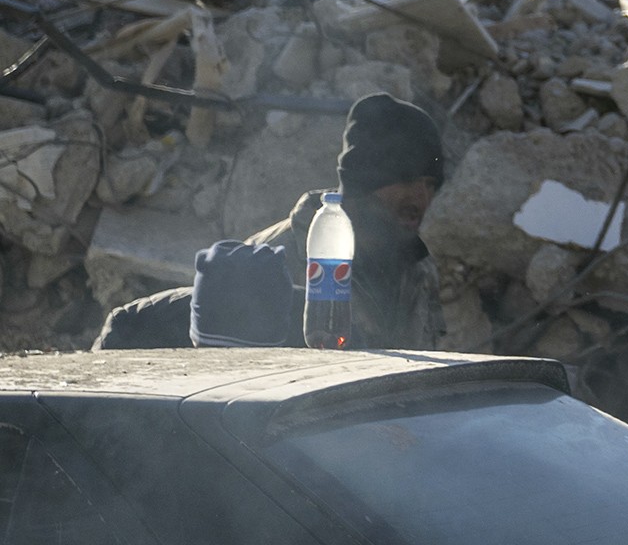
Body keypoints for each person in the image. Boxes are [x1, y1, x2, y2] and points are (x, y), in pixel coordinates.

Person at [96, 95, 451, 352]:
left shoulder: (418, 269)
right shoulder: (272, 262)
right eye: (408, 179)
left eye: (430, 185)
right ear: (366, 180)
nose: (421, 196)